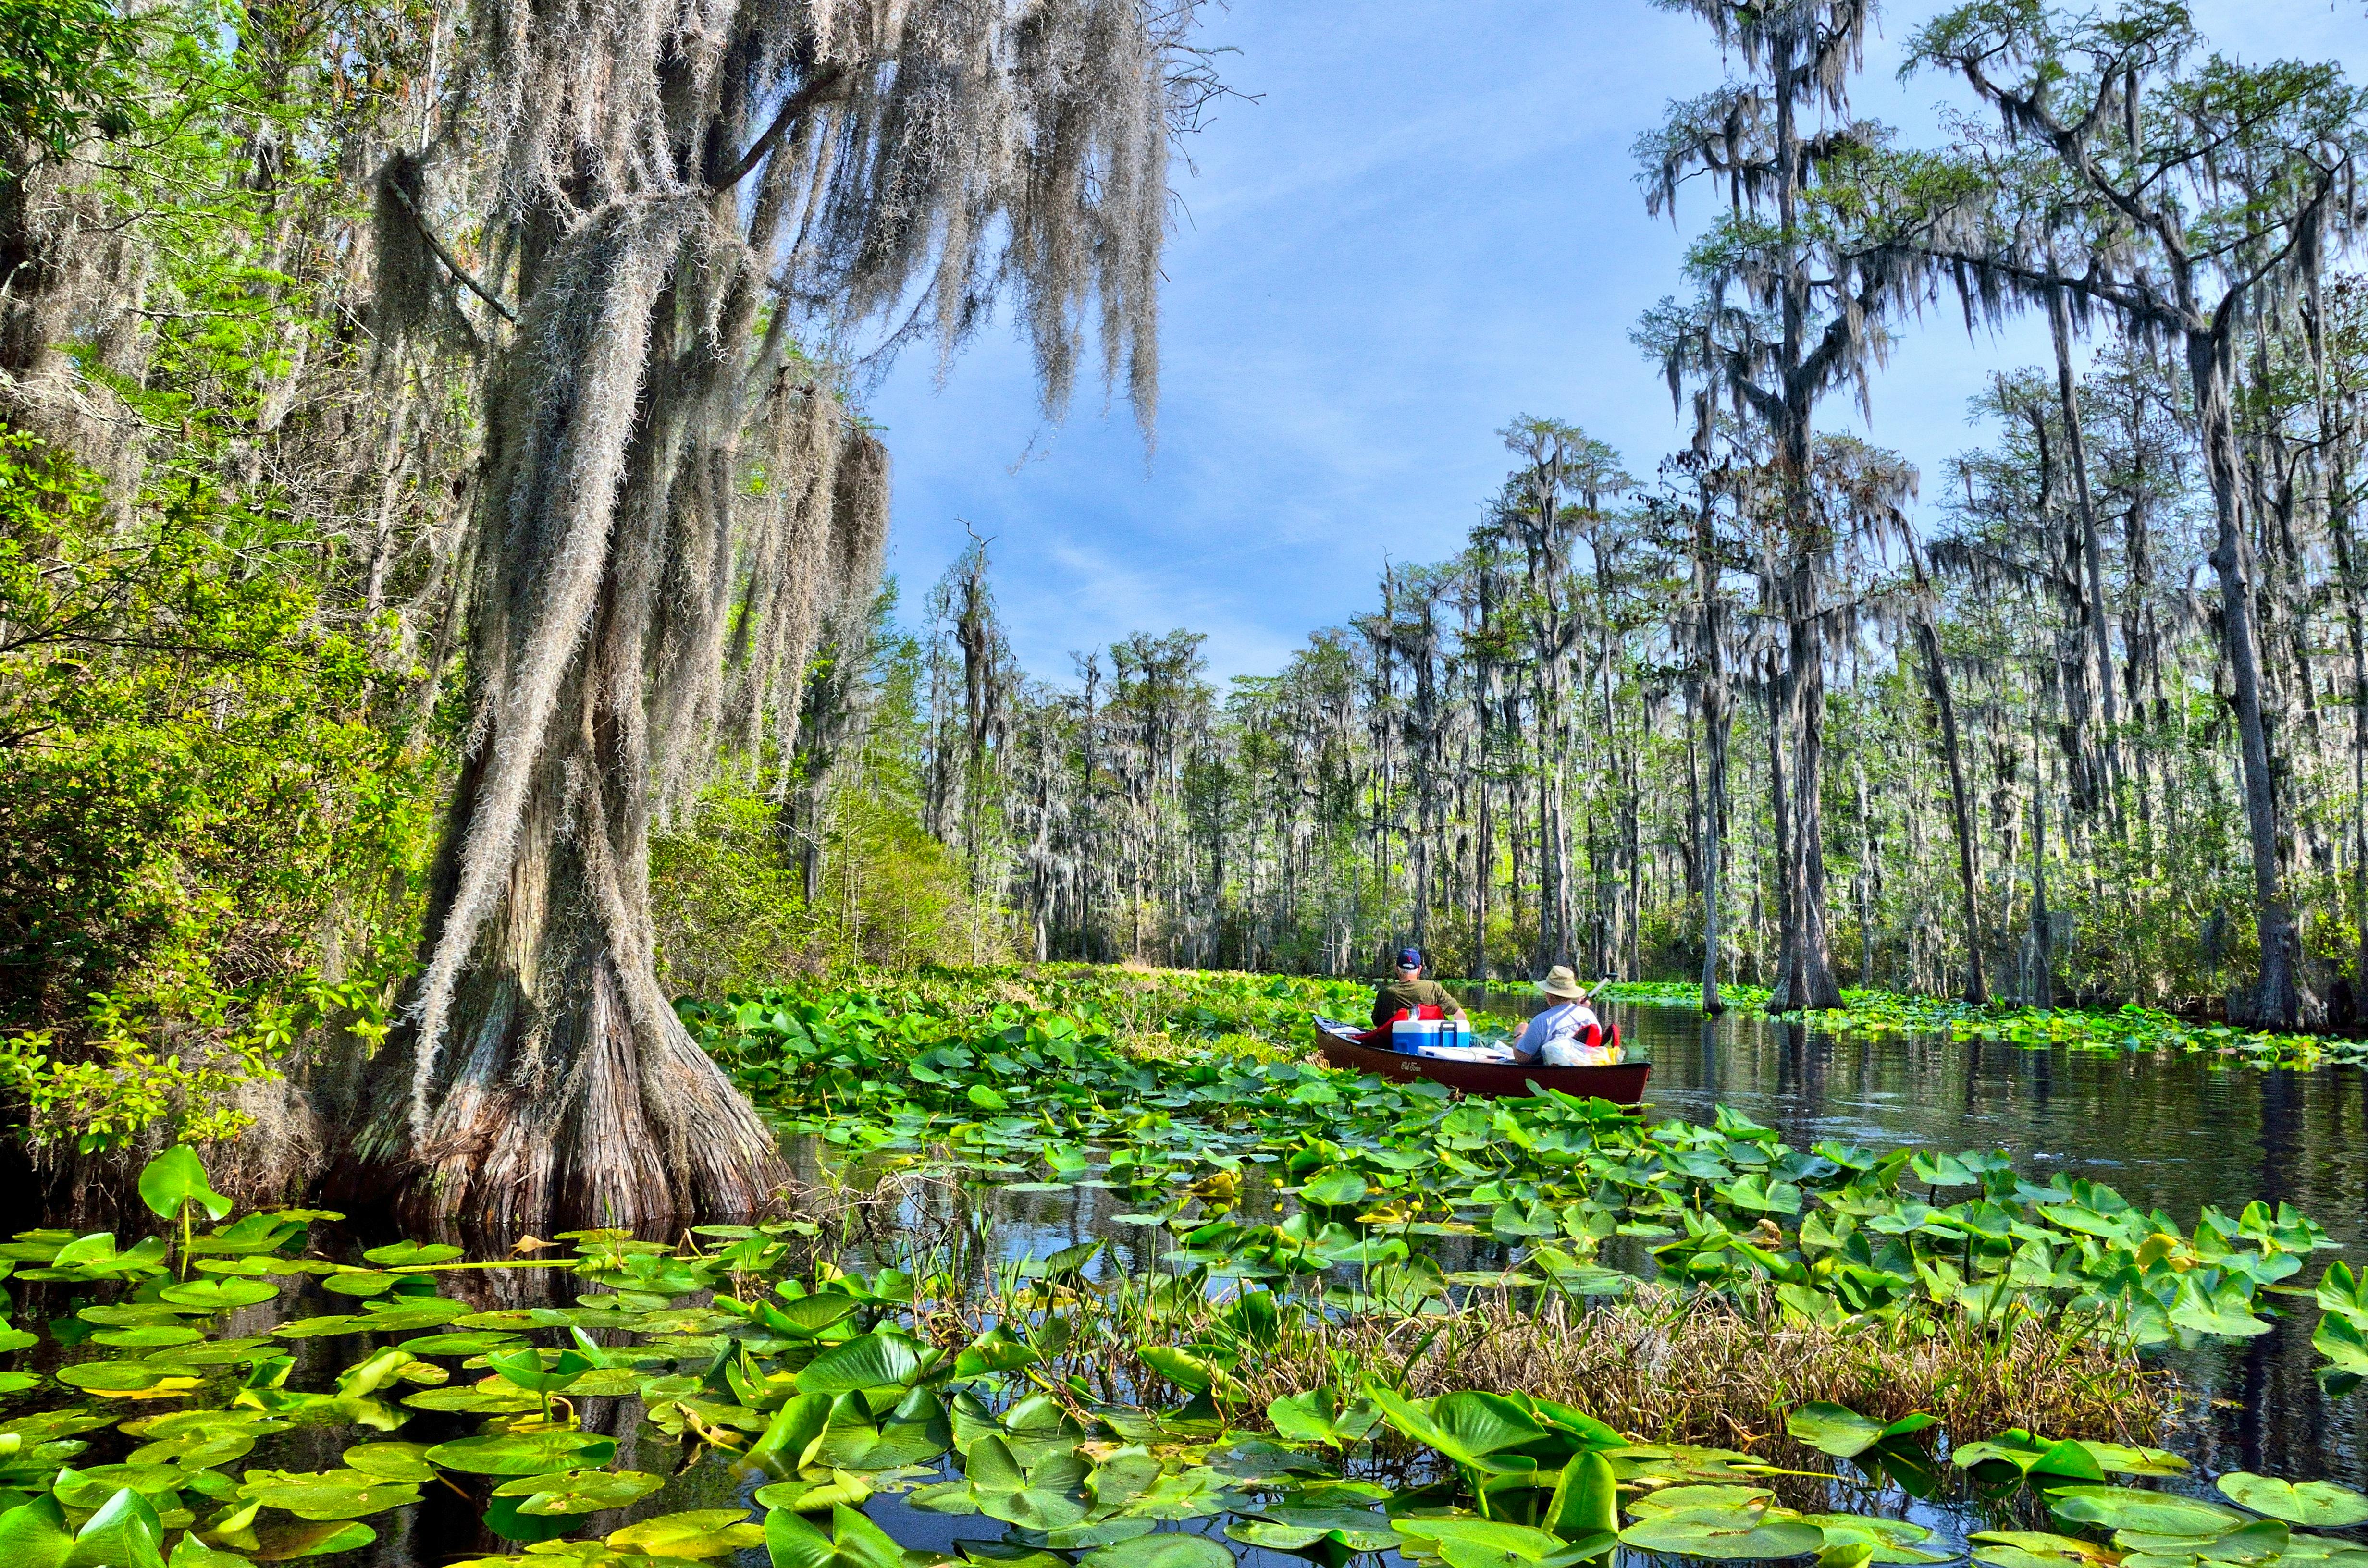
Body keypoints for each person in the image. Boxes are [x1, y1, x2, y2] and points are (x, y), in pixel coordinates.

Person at [1510, 966, 1616, 1066]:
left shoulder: (1541, 1021)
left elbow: (1522, 1058)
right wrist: (1582, 1010)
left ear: (1549, 995)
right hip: (1585, 1067)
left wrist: (1520, 1033)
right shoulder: (1588, 1014)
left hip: (1554, 1072)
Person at [1369, 946, 1465, 1032]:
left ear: (1397, 969)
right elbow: (1461, 1016)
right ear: (1419, 969)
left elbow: (1377, 1022)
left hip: (1395, 1043)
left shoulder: (1385, 992)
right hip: (1431, 1043)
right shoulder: (1434, 988)